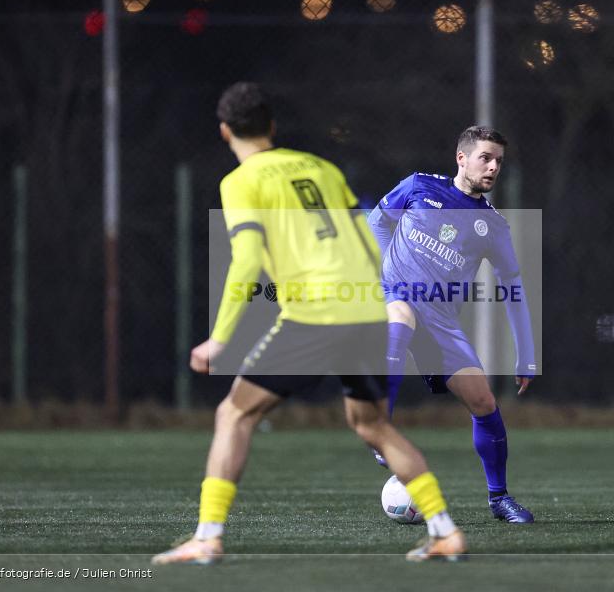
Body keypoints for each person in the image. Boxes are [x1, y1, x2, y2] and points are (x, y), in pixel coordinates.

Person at [152, 82, 465, 565]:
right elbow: (364, 236)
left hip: (316, 314)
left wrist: (220, 338)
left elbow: (246, 259)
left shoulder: (241, 181)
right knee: (373, 424)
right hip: (365, 308)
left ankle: (208, 537)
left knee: (234, 414)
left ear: (225, 131)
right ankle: (444, 531)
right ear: (272, 127)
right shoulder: (322, 167)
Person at [366, 126, 537, 524]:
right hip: (399, 297)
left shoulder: (492, 225)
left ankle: (500, 498)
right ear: (462, 158)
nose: (493, 167)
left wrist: (526, 355)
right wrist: (384, 275)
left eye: (498, 161)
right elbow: (377, 223)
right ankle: (380, 431)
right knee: (400, 321)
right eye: (485, 158)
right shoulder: (418, 185)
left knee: (484, 404)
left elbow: (513, 287)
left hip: (442, 321)